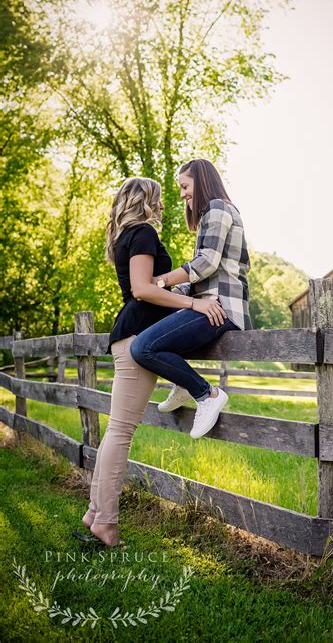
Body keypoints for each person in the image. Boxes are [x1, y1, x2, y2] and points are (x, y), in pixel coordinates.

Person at [81, 176, 226, 547]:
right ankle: (106, 523)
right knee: (120, 433)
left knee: (116, 430)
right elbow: (143, 289)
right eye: (159, 198)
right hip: (134, 340)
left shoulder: (123, 235)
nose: (163, 204)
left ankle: (95, 513)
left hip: (128, 335)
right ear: (146, 200)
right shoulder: (143, 232)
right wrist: (194, 303)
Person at [130, 157, 252, 441]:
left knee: (143, 348)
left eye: (185, 186)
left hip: (221, 307)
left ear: (201, 180)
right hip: (209, 304)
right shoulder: (210, 215)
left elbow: (206, 263)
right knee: (152, 335)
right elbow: (203, 278)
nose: (183, 194)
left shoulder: (218, 209)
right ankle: (183, 384)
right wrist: (167, 293)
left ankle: (206, 393)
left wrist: (159, 281)